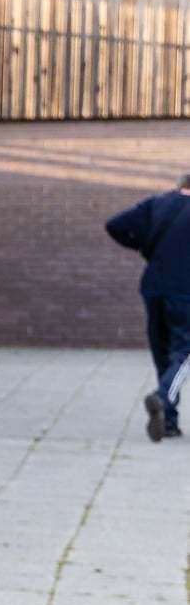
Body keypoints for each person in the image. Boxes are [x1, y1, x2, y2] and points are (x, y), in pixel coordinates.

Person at [106, 173, 190, 442]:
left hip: (153, 287)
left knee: (163, 352)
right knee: (184, 352)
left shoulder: (157, 203)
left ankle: (168, 423)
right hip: (186, 292)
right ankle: (162, 397)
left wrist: (145, 246)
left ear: (181, 186)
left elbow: (115, 225)